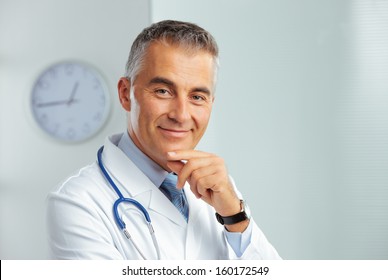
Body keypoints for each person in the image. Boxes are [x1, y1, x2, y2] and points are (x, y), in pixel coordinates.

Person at [46, 20, 281, 260]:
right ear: (126, 94)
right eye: (163, 91)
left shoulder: (219, 187)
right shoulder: (78, 201)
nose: (180, 115)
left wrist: (235, 217)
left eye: (197, 96)